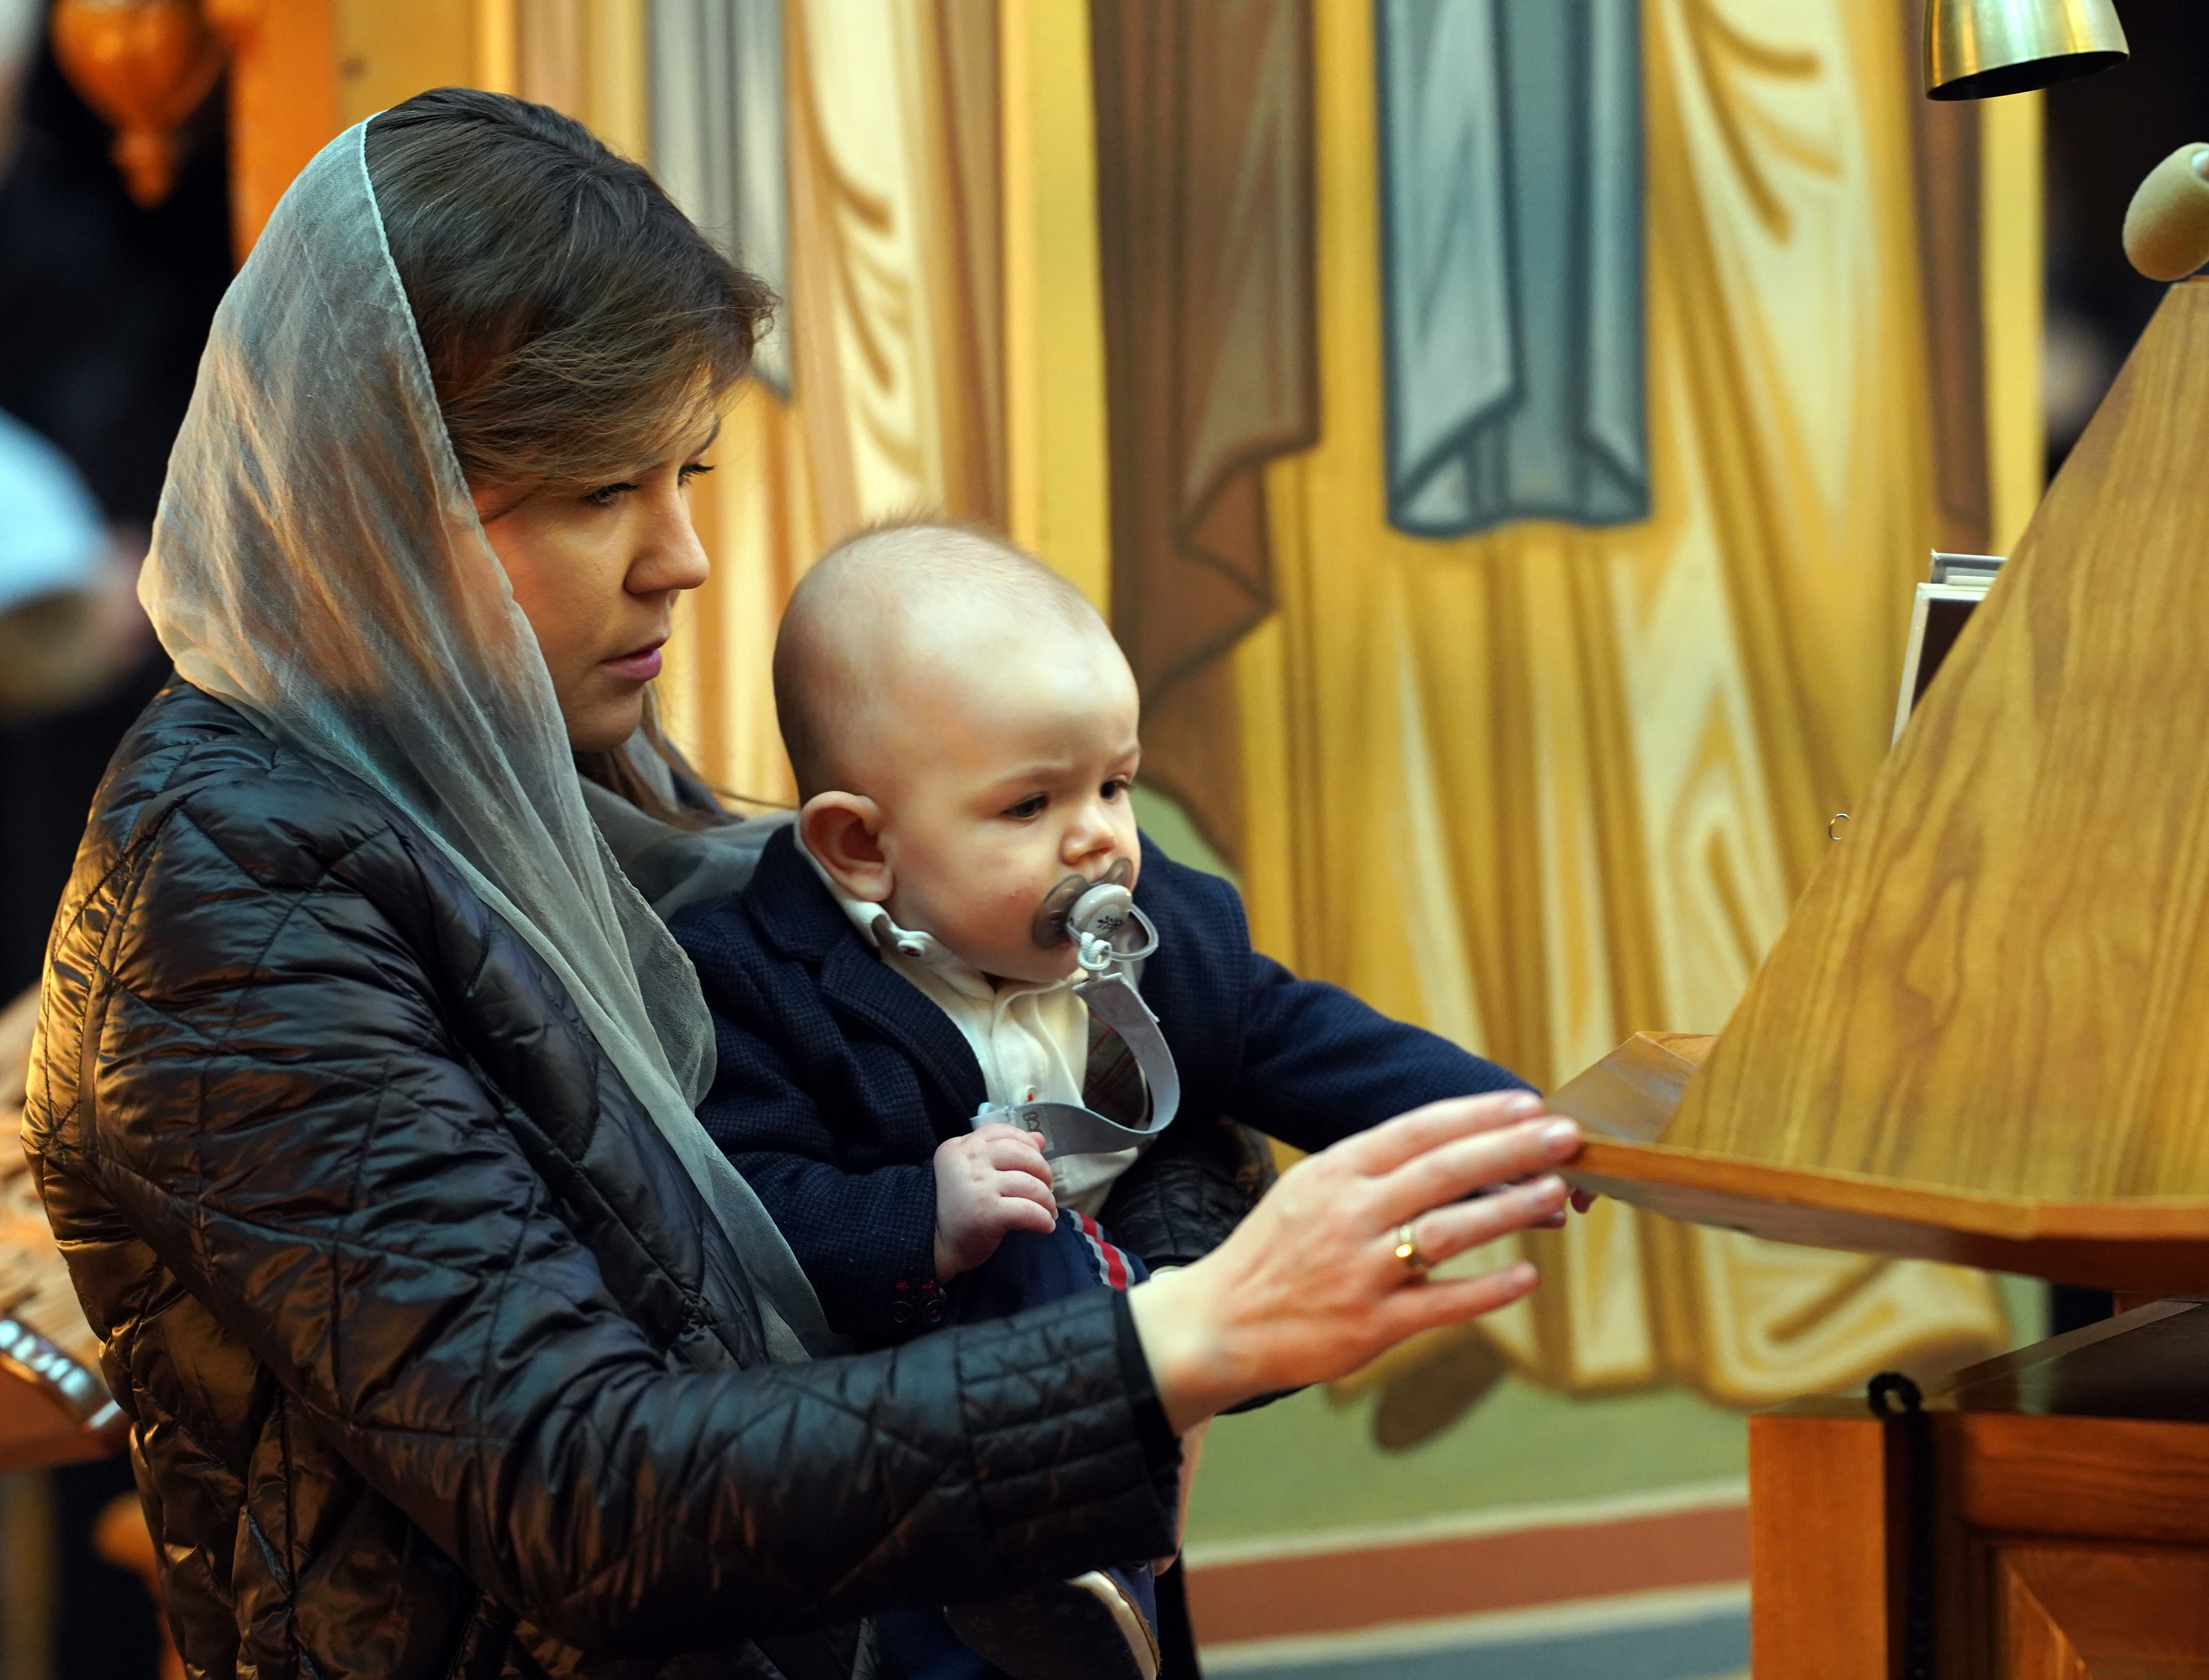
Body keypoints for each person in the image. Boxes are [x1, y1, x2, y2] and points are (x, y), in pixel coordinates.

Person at [19, 89, 1583, 1680]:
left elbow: (1064, 1076)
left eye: (683, 472)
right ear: (382, 497)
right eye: (593, 491)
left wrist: (1167, 1275)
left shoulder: (560, 769)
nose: (678, 556)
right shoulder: (230, 889)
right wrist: (1159, 1342)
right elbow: (579, 1484)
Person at [672, 524, 1544, 1679]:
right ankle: (1041, 1591)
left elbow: (1301, 1038)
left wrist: (1509, 1130)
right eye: (1030, 806)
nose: (1099, 837)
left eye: (1115, 784)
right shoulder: (749, 980)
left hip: (1128, 1353)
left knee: (1129, 1611)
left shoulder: (1159, 927)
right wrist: (919, 1214)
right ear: (860, 846)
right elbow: (750, 1210)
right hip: (915, 1424)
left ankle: (1100, 1594)